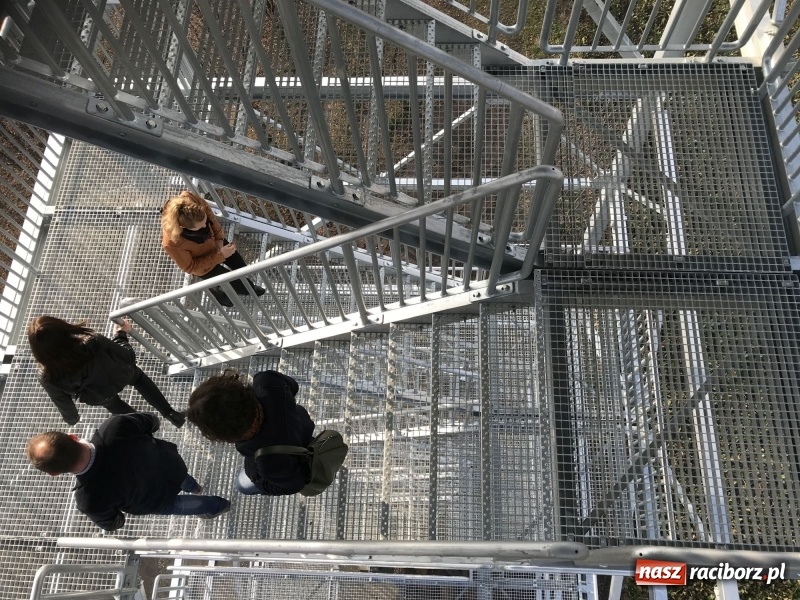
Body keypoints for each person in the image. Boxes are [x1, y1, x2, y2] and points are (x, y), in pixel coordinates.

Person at [26, 413, 230, 531]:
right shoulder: (115, 427)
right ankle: (195, 487)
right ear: (72, 437)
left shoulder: (88, 499)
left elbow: (114, 523)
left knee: (179, 505)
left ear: (55, 474)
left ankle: (218, 506)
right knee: (181, 476)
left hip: (155, 500)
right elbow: (152, 422)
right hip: (170, 464)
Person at [29, 316, 185, 428]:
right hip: (121, 373)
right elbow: (128, 357)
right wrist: (121, 335)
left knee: (114, 405)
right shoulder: (92, 340)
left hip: (98, 395)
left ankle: (147, 427)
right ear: (65, 329)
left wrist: (72, 419)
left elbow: (65, 406)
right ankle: (171, 414)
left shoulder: (48, 378)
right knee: (138, 378)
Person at [186, 370, 315, 496]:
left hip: (299, 453)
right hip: (302, 424)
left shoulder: (269, 462)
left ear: (226, 434)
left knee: (242, 485)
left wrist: (260, 483)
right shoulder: (266, 380)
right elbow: (293, 386)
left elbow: (294, 485)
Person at [161, 190, 265, 307]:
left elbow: (211, 219)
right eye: (201, 227)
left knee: (240, 265)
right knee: (233, 282)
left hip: (216, 244)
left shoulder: (191, 200)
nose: (206, 226)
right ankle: (226, 293)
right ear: (183, 227)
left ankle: (246, 287)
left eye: (205, 223)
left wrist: (220, 240)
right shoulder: (172, 243)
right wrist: (220, 256)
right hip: (205, 266)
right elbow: (191, 267)